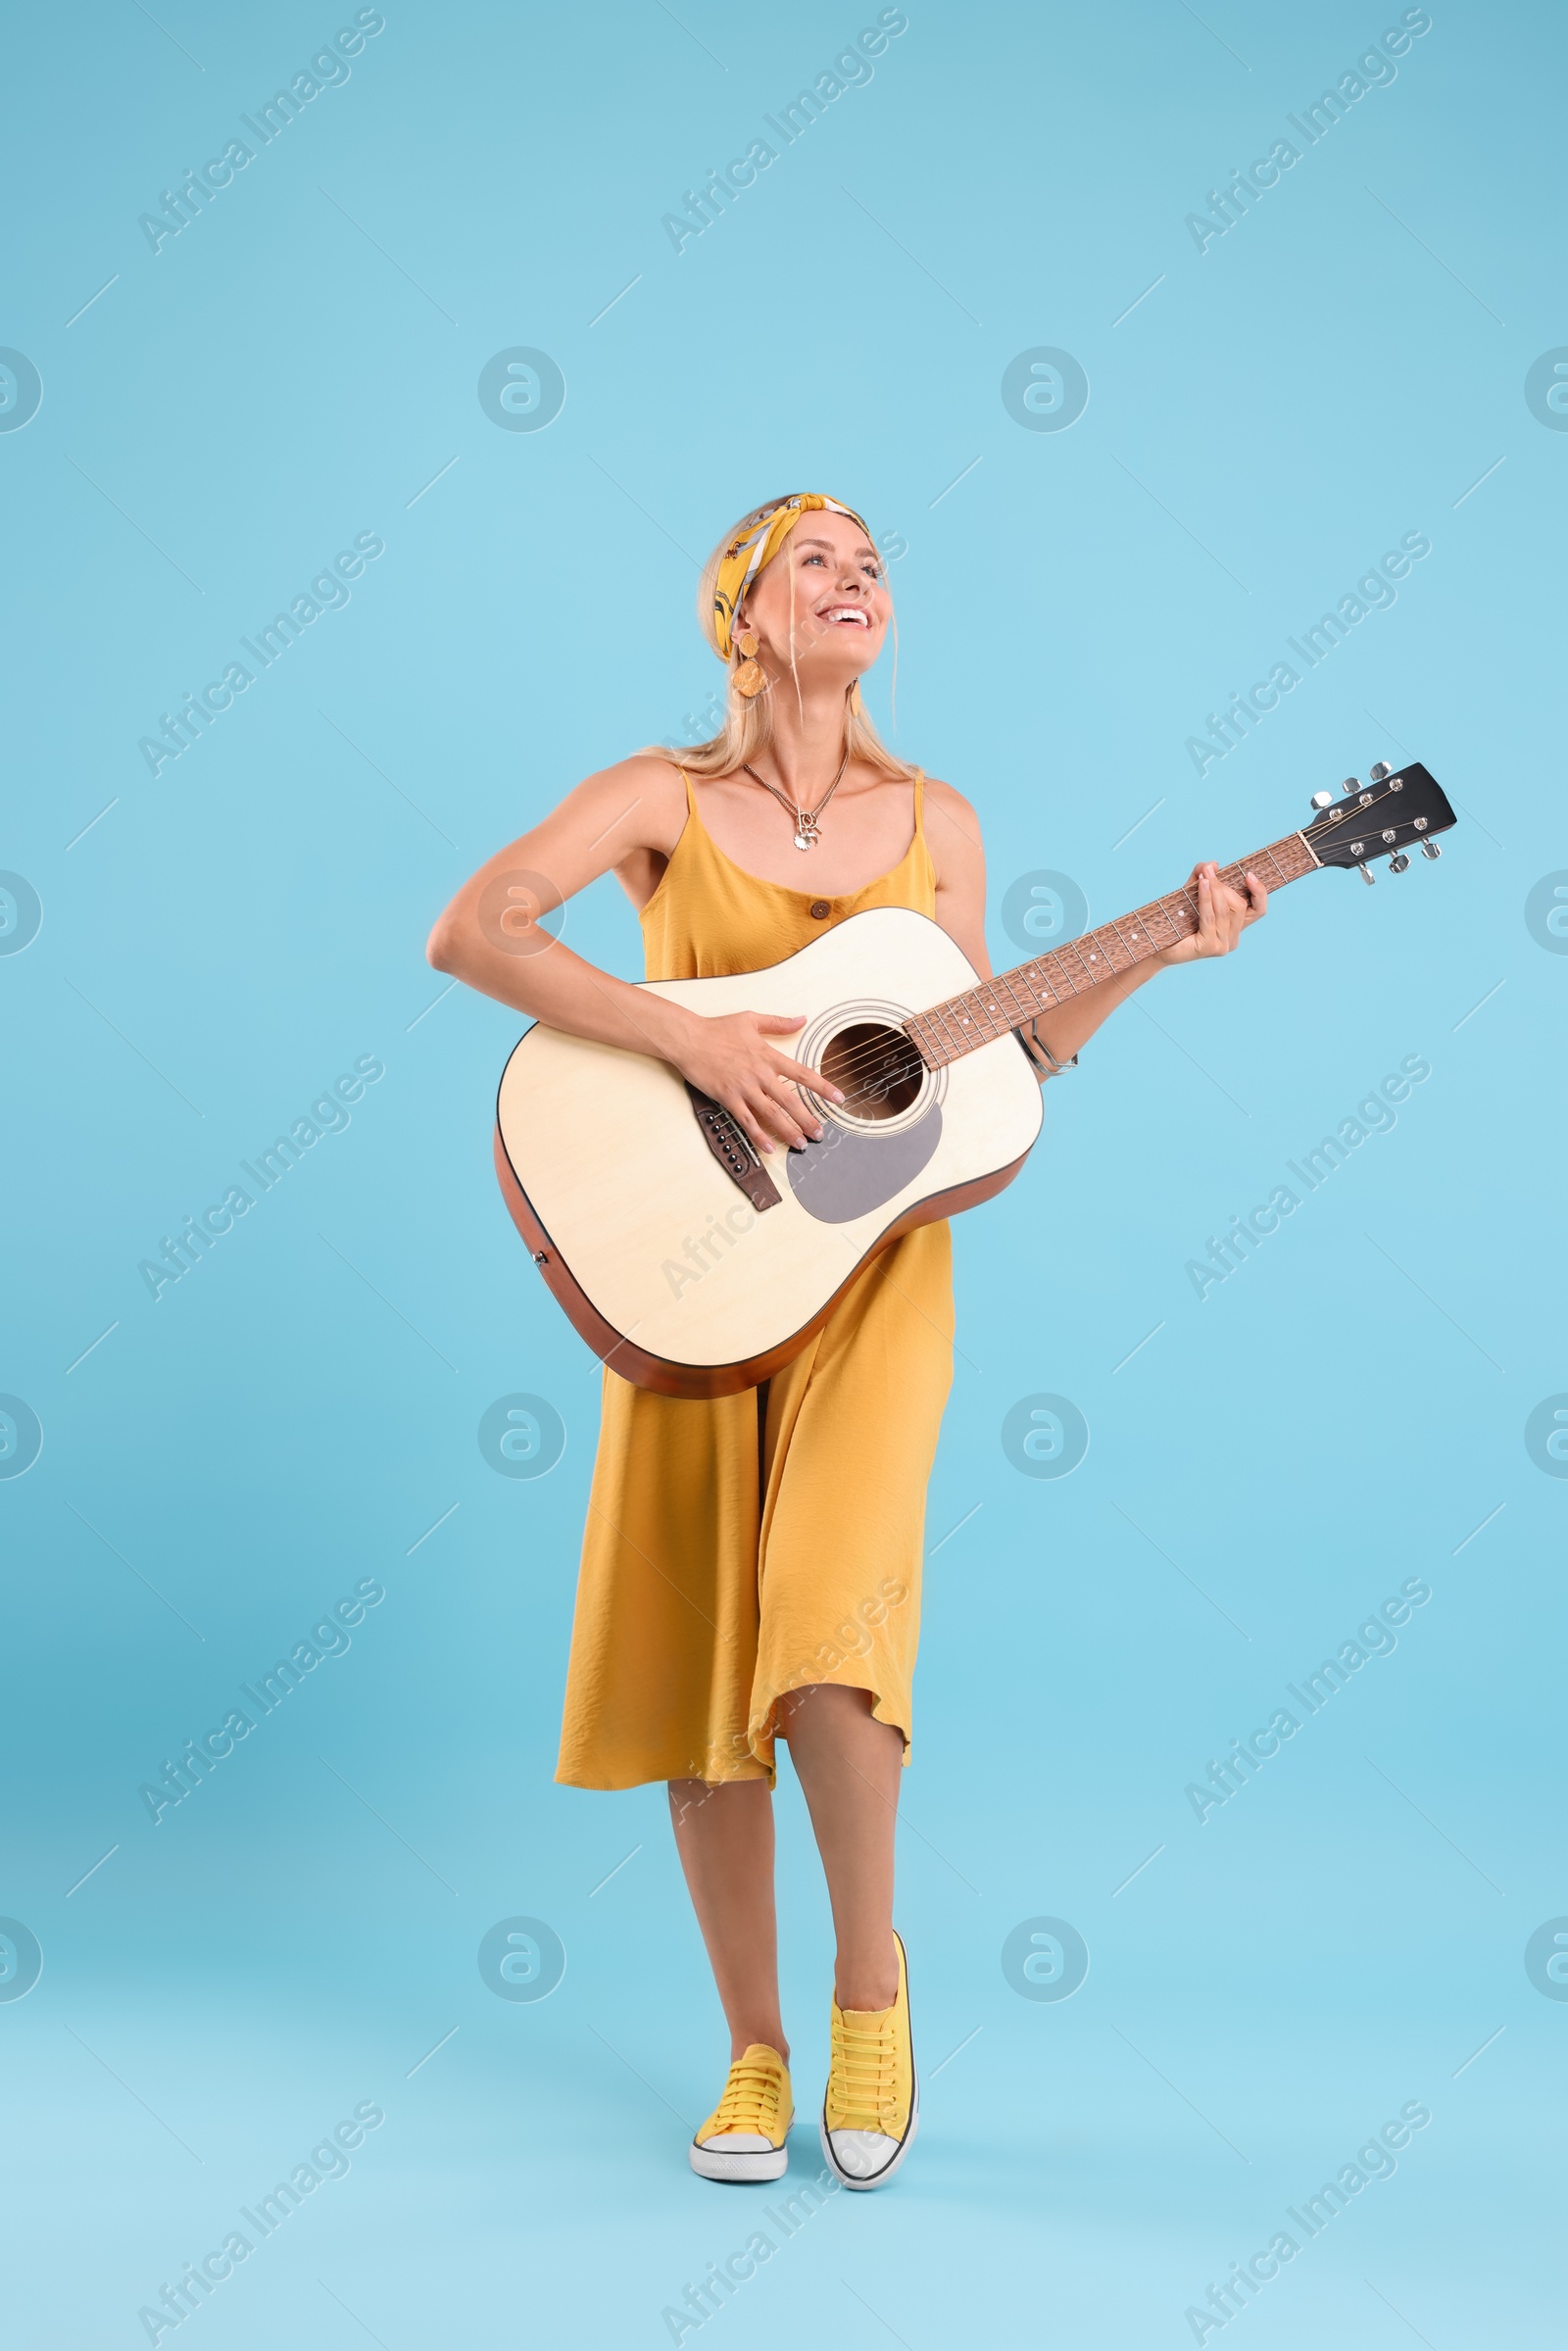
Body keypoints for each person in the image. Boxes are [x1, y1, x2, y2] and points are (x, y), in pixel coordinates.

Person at [426, 492, 1266, 2190]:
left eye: (874, 558)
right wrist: (699, 1043)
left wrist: (1171, 947)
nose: (858, 574)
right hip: (693, 1274)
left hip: (870, 1287)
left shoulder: (933, 821)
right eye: (818, 554)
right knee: (698, 1665)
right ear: (741, 610)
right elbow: (479, 930)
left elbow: (973, 1075)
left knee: (826, 1632)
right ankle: (751, 2056)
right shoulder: (661, 798)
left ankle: (870, 1990)